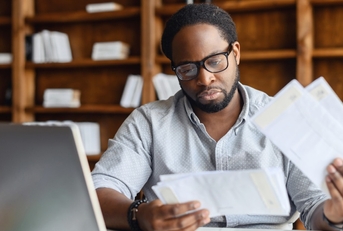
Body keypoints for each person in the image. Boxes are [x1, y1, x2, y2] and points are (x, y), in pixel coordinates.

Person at [91, 3, 343, 231]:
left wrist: (335, 215)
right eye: (187, 69)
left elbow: (316, 211)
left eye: (214, 61)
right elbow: (98, 192)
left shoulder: (285, 119)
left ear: (235, 53)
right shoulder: (149, 122)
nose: (204, 79)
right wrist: (138, 214)